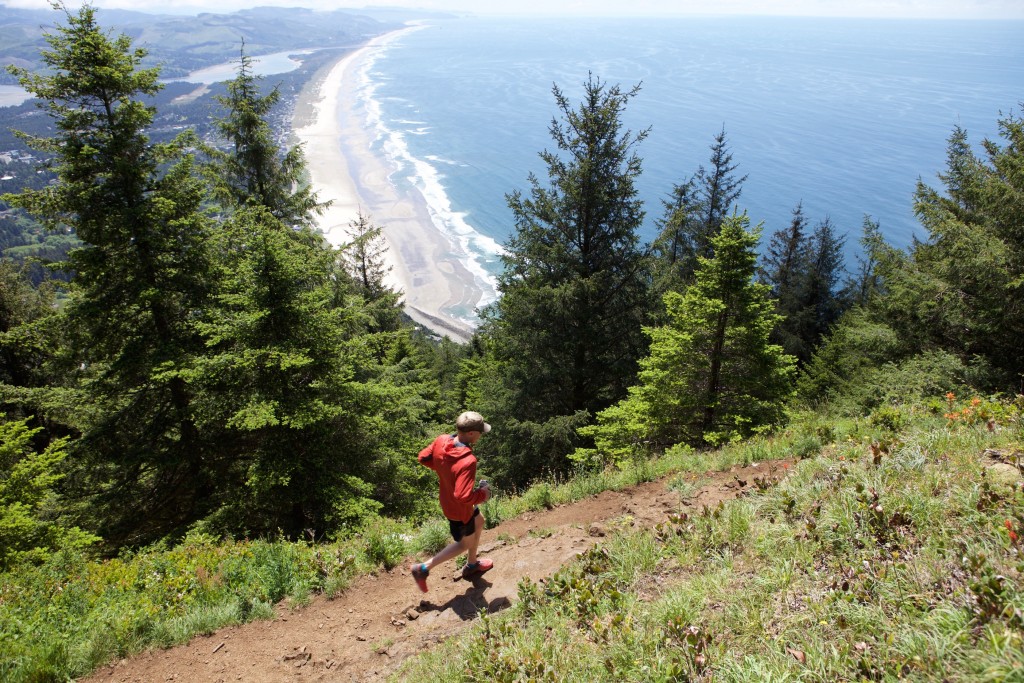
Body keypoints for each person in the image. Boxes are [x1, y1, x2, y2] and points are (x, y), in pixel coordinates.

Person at [410, 411, 493, 592]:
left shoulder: (442, 440)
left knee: (479, 521)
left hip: (449, 502)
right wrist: (482, 495)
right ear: (471, 433)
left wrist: (443, 470)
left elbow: (423, 457)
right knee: (464, 544)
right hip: (460, 511)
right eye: (480, 432)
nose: (481, 435)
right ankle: (423, 568)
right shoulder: (468, 461)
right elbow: (463, 496)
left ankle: (472, 565)